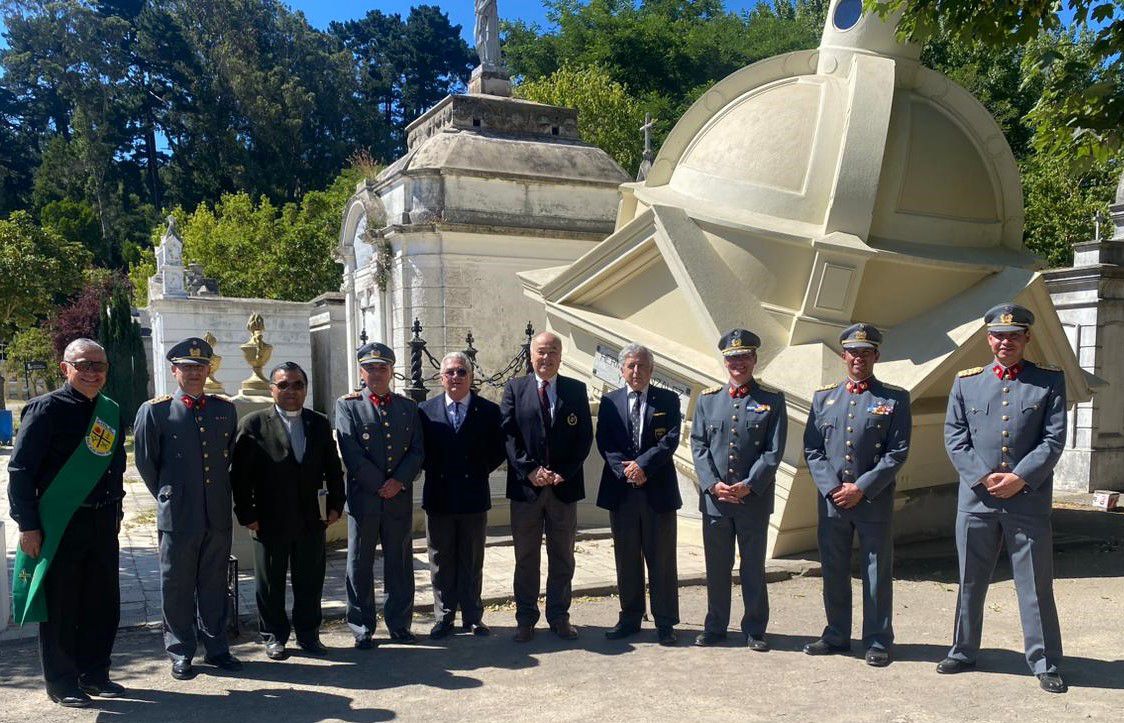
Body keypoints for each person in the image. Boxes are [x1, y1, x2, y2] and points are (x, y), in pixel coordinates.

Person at [938, 303, 1068, 694]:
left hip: (1027, 501)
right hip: (977, 501)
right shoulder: (966, 382)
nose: (1005, 342)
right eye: (998, 335)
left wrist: (1019, 478)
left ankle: (1044, 661)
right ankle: (963, 651)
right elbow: (954, 437)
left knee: (1035, 583)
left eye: (1014, 335)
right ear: (988, 338)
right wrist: (983, 476)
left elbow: (1053, 438)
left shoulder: (1048, 382)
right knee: (969, 581)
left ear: (1027, 338)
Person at [7, 339, 126, 707]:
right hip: (62, 523)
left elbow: (116, 466)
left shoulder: (110, 410)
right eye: (83, 365)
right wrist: (28, 525)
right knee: (62, 604)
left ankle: (95, 673)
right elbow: (21, 470)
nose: (92, 372)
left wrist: (117, 512)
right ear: (65, 368)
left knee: (102, 602)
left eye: (99, 365)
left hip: (102, 521)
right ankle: (62, 682)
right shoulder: (45, 409)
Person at [803, 323, 911, 666]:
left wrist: (860, 488)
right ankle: (836, 633)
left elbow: (897, 452)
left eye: (866, 352)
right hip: (833, 500)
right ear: (842, 355)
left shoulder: (895, 398)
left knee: (876, 570)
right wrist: (834, 488)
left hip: (872, 500)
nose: (858, 358)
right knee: (833, 568)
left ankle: (878, 640)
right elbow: (813, 449)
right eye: (852, 352)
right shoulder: (824, 398)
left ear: (876, 356)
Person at [134, 336, 241, 680]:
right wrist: (169, 496)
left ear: (209, 370)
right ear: (174, 370)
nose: (195, 373)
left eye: (201, 366)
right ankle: (180, 650)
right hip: (179, 515)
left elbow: (228, 458)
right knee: (177, 584)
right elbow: (147, 464)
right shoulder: (156, 410)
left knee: (214, 583)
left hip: (217, 512)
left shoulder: (224, 409)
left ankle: (217, 647)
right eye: (188, 367)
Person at [231, 362, 344, 660]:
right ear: (272, 389)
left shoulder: (318, 422)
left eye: (297, 385)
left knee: (310, 579)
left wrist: (335, 504)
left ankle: (308, 634)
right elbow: (239, 476)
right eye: (283, 385)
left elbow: (333, 468)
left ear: (305, 389)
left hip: (310, 517)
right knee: (271, 582)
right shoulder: (254, 424)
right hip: (269, 519)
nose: (291, 391)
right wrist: (247, 514)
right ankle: (274, 636)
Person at [690, 329, 786, 650]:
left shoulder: (772, 401)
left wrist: (748, 485)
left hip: (752, 501)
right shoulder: (707, 400)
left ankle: (755, 629)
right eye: (732, 358)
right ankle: (715, 625)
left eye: (744, 357)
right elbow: (698, 443)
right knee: (717, 568)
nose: (738, 363)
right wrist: (712, 484)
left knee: (753, 567)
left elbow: (773, 452)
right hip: (717, 501)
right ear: (725, 362)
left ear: (754, 360)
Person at [500, 331, 594, 642]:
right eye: (541, 351)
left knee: (563, 556)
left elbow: (584, 438)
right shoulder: (515, 388)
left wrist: (562, 472)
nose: (546, 357)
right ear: (531, 355)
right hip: (527, 490)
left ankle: (559, 615)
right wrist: (530, 470)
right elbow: (508, 435)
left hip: (562, 489)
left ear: (560, 356)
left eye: (553, 351)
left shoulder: (575, 390)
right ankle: (525, 617)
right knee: (526, 556)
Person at [336, 342, 424, 648]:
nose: (376, 373)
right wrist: (379, 484)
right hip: (364, 499)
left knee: (399, 563)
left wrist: (398, 481)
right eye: (370, 367)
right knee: (359, 564)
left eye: (382, 367)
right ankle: (362, 626)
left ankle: (399, 623)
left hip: (397, 498)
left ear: (391, 371)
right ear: (361, 371)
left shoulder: (407, 407)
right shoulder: (347, 405)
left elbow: (417, 451)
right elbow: (351, 452)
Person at [595, 343, 682, 646]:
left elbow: (670, 439)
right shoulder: (609, 402)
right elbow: (604, 441)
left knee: (662, 559)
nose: (636, 371)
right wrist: (626, 470)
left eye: (642, 366)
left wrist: (643, 466)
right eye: (631, 366)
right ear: (621, 370)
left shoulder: (668, 400)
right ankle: (630, 617)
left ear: (651, 370)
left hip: (657, 490)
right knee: (627, 558)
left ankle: (666, 622)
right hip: (622, 493)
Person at [418, 352, 506, 639]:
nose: (455, 377)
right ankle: (444, 617)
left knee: (471, 558)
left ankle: (472, 616)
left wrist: (477, 470)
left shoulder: (489, 411)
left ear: (471, 377)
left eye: (461, 372)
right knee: (440, 560)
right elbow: (420, 453)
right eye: (450, 373)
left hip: (472, 495)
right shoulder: (425, 410)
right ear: (441, 378)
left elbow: (498, 449)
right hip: (439, 495)